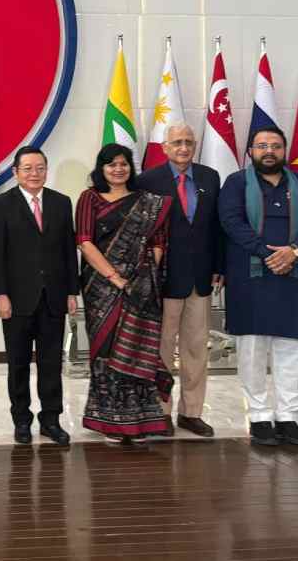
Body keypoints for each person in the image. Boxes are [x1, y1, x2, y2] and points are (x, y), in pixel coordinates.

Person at [218, 126, 298, 446]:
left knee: (291, 349)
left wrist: (295, 250)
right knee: (252, 349)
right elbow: (231, 222)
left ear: (285, 151)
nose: (269, 151)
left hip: (295, 274)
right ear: (250, 152)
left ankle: (287, 417)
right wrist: (268, 254)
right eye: (262, 146)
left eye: (275, 145)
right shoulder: (236, 183)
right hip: (251, 278)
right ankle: (260, 417)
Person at [76, 143, 172, 442]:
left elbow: (158, 241)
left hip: (141, 288)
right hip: (101, 288)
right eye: (111, 164)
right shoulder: (89, 198)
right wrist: (116, 277)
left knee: (140, 349)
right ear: (101, 168)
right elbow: (85, 241)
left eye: (124, 163)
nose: (119, 169)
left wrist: (142, 275)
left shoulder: (146, 201)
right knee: (106, 350)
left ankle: (142, 421)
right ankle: (109, 422)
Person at [0, 146, 78, 446]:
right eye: (27, 168)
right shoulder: (1, 205)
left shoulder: (61, 203)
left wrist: (72, 292)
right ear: (15, 172)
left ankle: (51, 420)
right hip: (16, 299)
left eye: (40, 168)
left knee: (51, 363)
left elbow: (68, 252)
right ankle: (21, 420)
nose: (34, 174)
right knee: (19, 363)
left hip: (54, 297)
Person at [138, 123, 223, 437]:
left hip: (200, 278)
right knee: (160, 349)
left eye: (188, 142)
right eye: (177, 142)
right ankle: (160, 412)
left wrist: (219, 265)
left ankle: (191, 413)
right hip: (163, 279)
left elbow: (217, 227)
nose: (184, 148)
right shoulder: (147, 180)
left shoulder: (210, 177)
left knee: (196, 348)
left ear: (195, 144)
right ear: (164, 146)